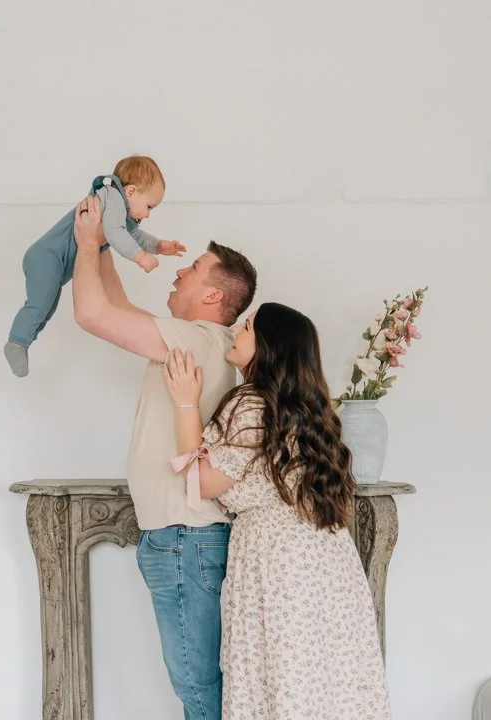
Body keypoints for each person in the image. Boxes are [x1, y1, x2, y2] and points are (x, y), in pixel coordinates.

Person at [71, 193, 258, 720]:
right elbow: (120, 310)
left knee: (198, 686)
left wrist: (87, 244)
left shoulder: (198, 340)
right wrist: (106, 241)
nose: (178, 275)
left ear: (213, 294)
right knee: (200, 684)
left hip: (185, 537)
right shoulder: (200, 339)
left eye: (193, 270)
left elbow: (93, 314)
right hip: (183, 538)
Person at [163, 303, 391, 720]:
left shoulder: (250, 403)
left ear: (267, 346)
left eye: (247, 326)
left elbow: (206, 481)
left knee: (278, 679)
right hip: (327, 561)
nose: (236, 329)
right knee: (325, 682)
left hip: (278, 560)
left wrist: (184, 404)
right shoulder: (314, 410)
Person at [3, 155, 185, 377]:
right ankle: (16, 343)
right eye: (149, 206)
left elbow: (133, 234)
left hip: (53, 264)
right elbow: (115, 234)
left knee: (46, 308)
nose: (147, 214)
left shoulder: (117, 207)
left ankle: (24, 343)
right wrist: (140, 257)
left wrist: (158, 245)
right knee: (39, 305)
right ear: (130, 192)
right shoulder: (111, 197)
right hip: (46, 258)